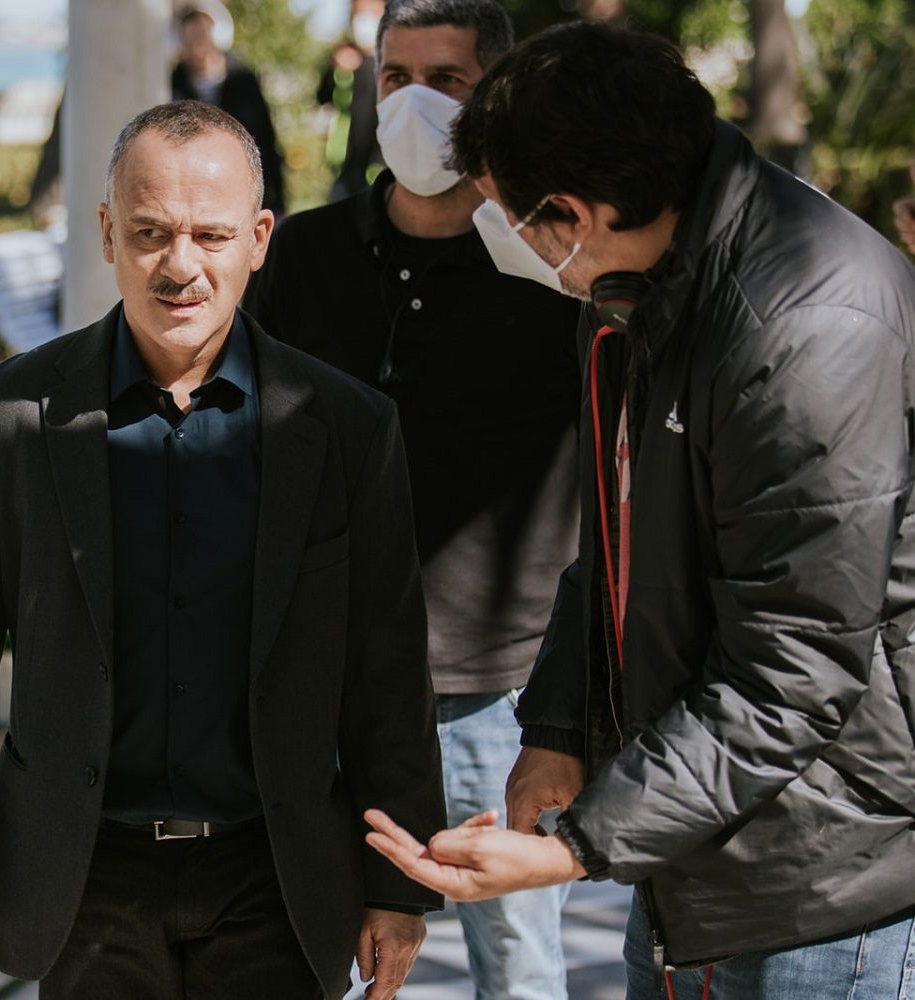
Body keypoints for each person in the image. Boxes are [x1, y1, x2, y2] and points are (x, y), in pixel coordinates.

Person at [364, 21, 915, 1000]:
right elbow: (613, 541)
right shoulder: (639, 287)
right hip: (696, 847)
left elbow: (795, 673)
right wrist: (561, 726)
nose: (513, 244)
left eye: (510, 215)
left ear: (575, 213)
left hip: (829, 882)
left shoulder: (805, 324)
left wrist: (576, 847)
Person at [0, 99, 447, 1000]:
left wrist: (399, 884)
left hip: (275, 872)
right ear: (107, 233)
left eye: (211, 236)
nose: (181, 266)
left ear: (260, 238)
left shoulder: (346, 426)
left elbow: (387, 666)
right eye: (150, 232)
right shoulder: (16, 409)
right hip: (84, 873)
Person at [243, 2, 579, 997]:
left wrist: (570, 711)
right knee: (311, 959)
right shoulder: (298, 257)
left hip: (497, 695)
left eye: (449, 80)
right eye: (397, 78)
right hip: (322, 690)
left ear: (498, 99)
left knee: (517, 965)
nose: (417, 103)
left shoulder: (558, 266)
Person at [170, 5, 287, 216]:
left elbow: (266, 137)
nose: (197, 43)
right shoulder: (174, 82)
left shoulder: (243, 80)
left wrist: (277, 199)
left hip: (240, 185)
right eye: (190, 37)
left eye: (202, 34)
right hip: (193, 191)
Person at [317, 0, 385, 201]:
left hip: (380, 164)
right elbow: (324, 97)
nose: (364, 21)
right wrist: (337, 68)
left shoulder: (392, 62)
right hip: (347, 166)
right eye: (358, 14)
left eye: (370, 14)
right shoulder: (346, 60)